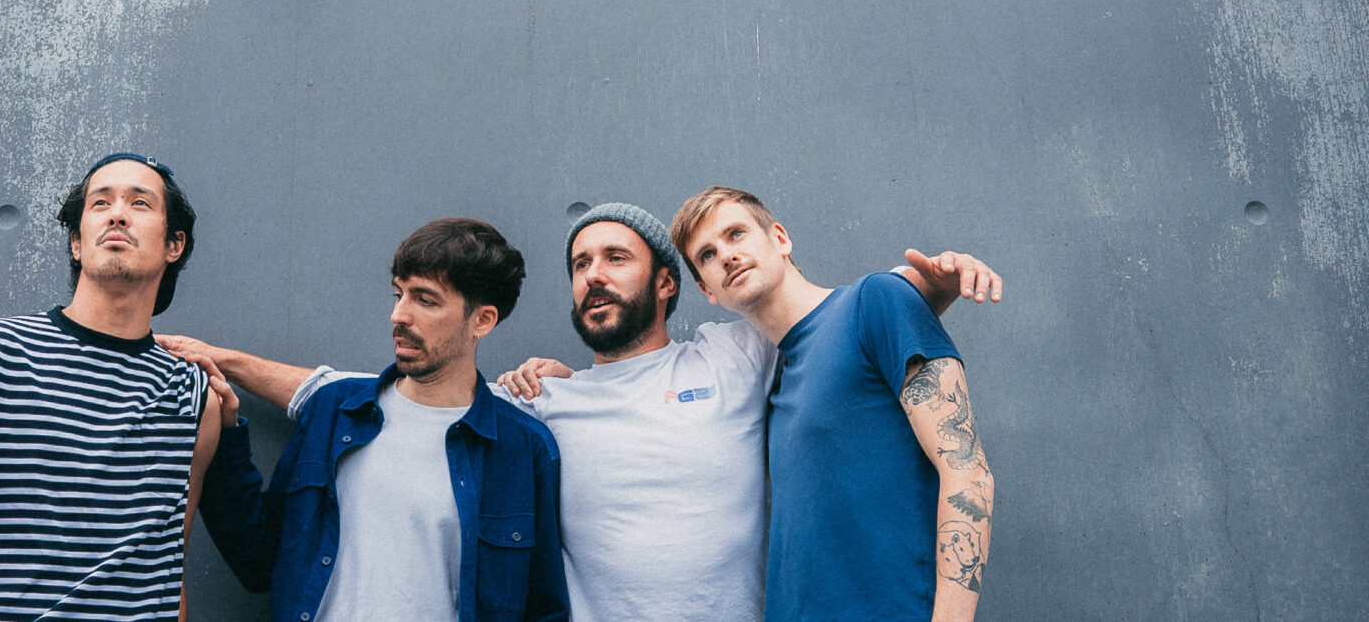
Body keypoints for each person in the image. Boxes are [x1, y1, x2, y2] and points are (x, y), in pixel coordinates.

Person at [285, 203, 999, 621]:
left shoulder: (732, 354)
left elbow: (823, 317)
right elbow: (384, 389)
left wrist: (918, 289)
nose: (593, 274)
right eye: (580, 264)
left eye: (614, 257)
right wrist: (229, 363)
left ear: (667, 284)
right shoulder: (539, 404)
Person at [0, 153, 223, 621]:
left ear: (174, 244)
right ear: (76, 242)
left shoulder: (192, 396)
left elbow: (166, 570)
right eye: (101, 203)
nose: (117, 214)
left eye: (140, 203)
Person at [171, 218, 569, 622]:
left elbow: (544, 609)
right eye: (399, 294)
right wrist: (226, 435)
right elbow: (258, 562)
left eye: (425, 300)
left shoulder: (523, 447)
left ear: (482, 320)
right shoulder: (333, 410)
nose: (399, 315)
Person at [670, 186, 994, 621]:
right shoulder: (770, 381)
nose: (726, 256)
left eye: (736, 234)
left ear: (780, 239)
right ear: (707, 290)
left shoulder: (875, 300)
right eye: (707, 255)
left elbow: (967, 470)